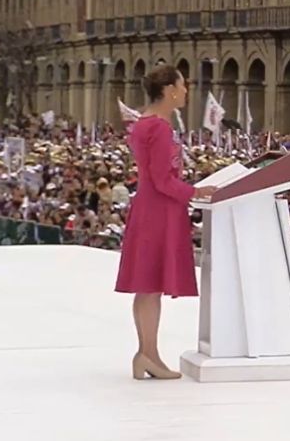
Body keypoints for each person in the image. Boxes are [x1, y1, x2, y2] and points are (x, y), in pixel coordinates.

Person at [114, 65, 217, 381]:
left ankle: (147, 353)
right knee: (150, 284)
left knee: (147, 285)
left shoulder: (144, 123)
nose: (186, 91)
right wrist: (195, 191)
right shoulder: (157, 128)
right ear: (170, 90)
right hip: (159, 210)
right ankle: (148, 353)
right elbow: (162, 178)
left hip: (149, 206)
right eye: (183, 86)